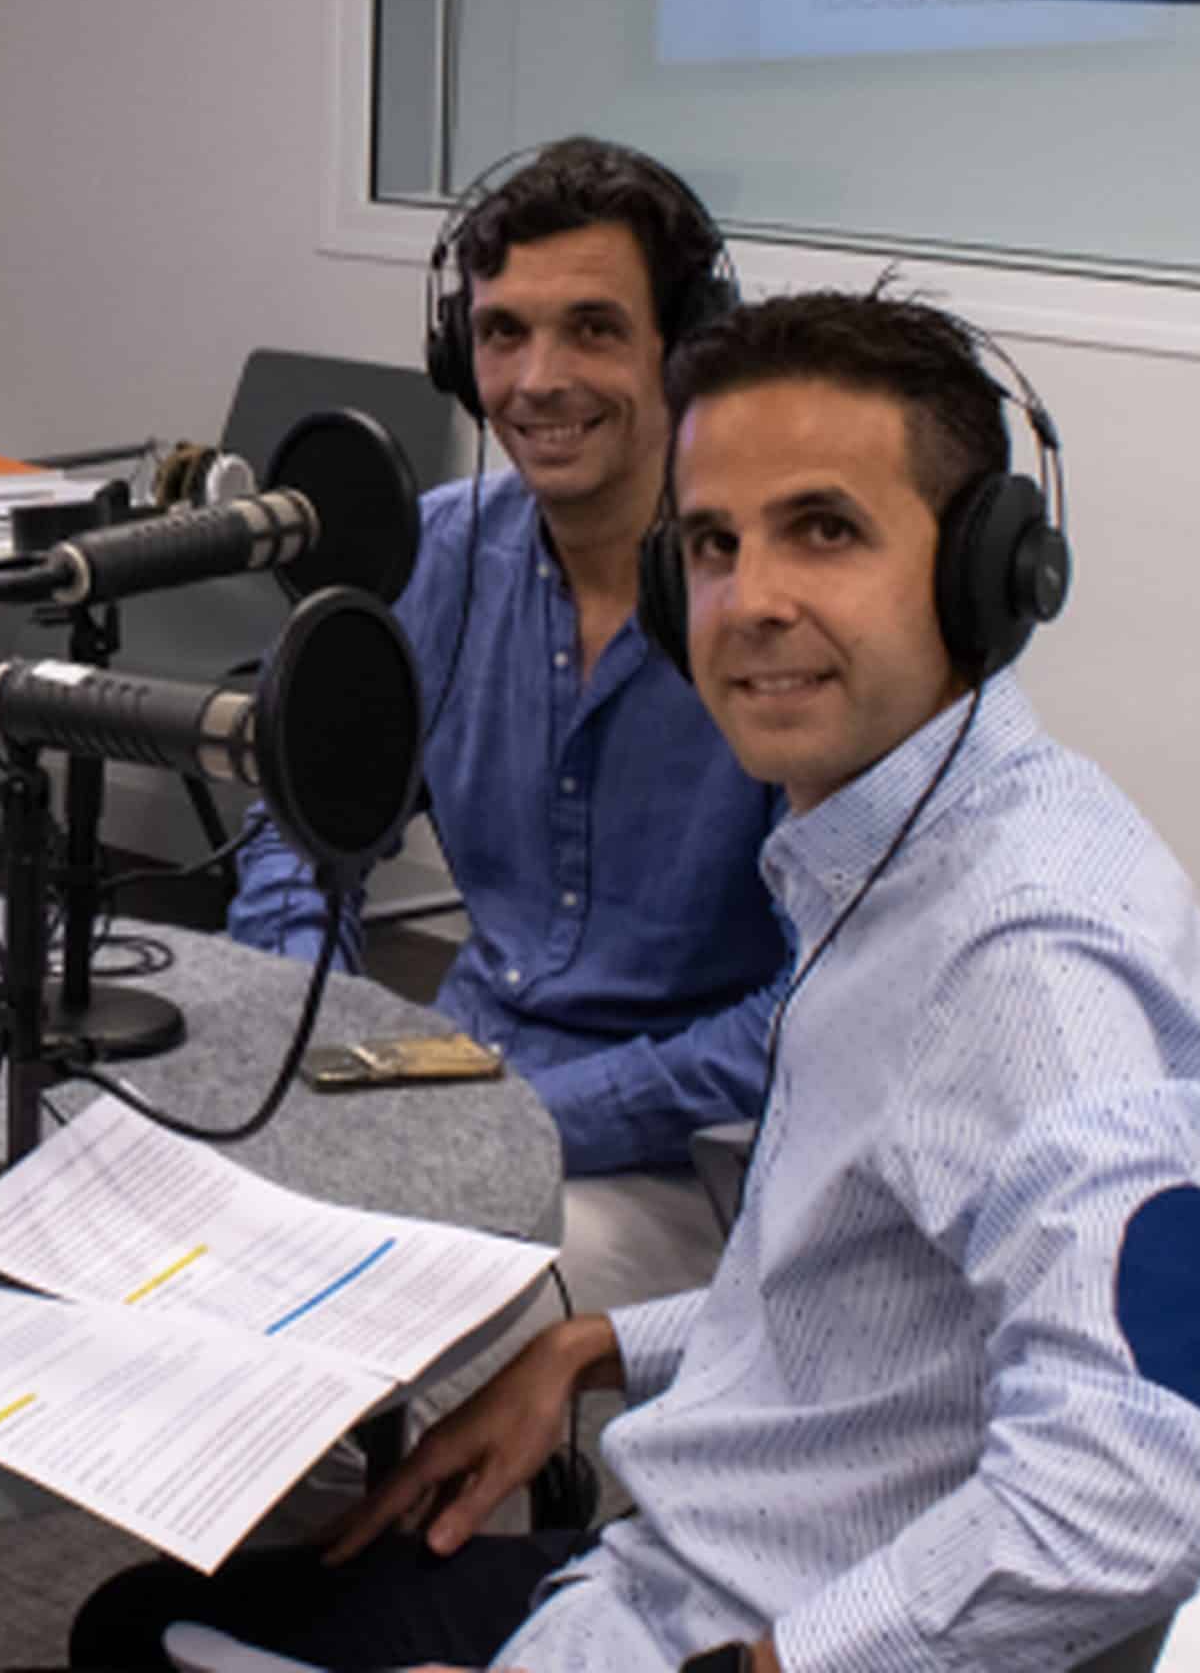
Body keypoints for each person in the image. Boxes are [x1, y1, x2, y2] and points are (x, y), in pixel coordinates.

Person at [72, 289, 1200, 1672]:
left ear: (982, 575)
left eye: (824, 530)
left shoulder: (1027, 968)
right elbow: (868, 1322)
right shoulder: (913, 851)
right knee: (146, 1618)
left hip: (723, 1626)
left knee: (140, 1643)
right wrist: (595, 1351)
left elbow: (1131, 1489)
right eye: (711, 544)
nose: (750, 602)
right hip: (697, 1557)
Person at [229, 135, 789, 1315]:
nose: (537, 380)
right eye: (501, 333)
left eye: (592, 329)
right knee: (205, 1246)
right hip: (454, 1077)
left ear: (685, 347)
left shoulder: (774, 610)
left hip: (689, 1154)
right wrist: (313, 1022)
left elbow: (817, 1007)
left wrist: (527, 1111)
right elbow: (298, 817)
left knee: (409, 1305)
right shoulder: (434, 552)